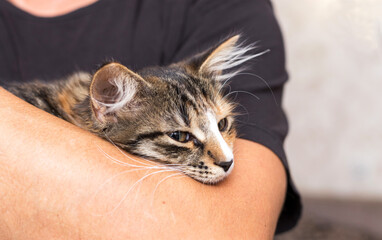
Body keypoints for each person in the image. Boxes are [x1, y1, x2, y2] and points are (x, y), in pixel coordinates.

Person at [0, 0, 301, 239]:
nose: (225, 158)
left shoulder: (217, 8)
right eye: (183, 137)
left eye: (222, 125)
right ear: (110, 110)